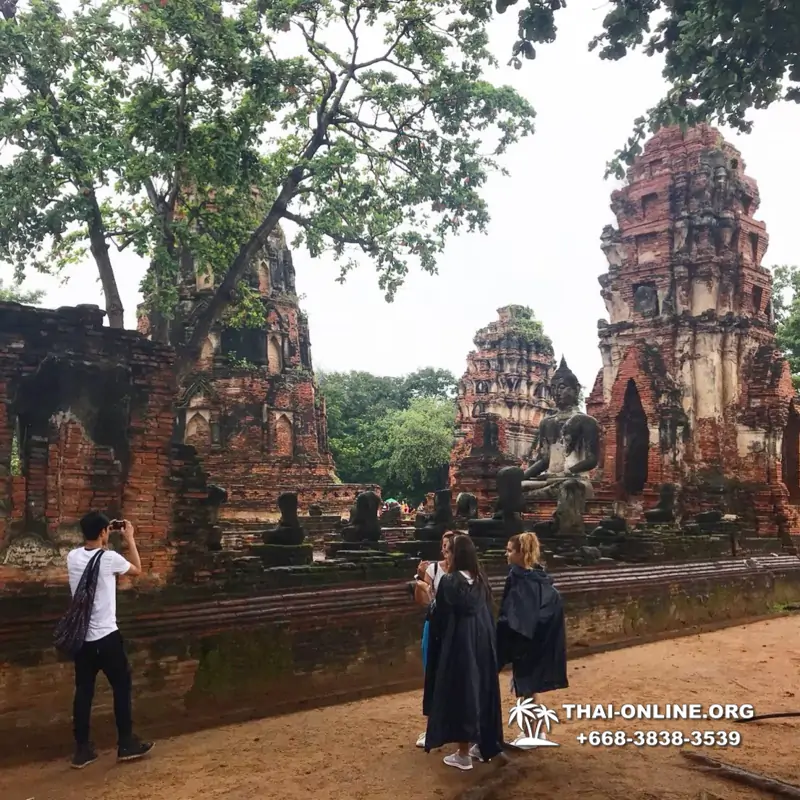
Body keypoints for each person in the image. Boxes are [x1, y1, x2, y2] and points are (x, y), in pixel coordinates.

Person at [67, 511, 154, 768]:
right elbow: (137, 570)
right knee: (121, 687)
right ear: (105, 532)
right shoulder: (109, 559)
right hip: (106, 637)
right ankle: (126, 743)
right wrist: (129, 538)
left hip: (82, 640)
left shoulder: (72, 557)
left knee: (83, 692)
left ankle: (82, 750)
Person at [423, 534, 503, 770]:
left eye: (449, 551)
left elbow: (439, 617)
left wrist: (430, 601)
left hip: (459, 644)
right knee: (481, 690)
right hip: (482, 644)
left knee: (460, 693)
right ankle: (483, 743)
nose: (446, 555)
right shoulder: (480, 581)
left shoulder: (449, 581)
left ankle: (463, 753)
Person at [496, 533, 568, 746]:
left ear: (521, 553)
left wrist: (506, 636)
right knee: (528, 688)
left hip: (526, 640)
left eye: (510, 550)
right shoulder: (540, 577)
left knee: (526, 689)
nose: (506, 554)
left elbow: (516, 614)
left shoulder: (519, 578)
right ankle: (536, 732)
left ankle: (531, 733)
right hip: (537, 639)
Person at [412, 531, 454, 749]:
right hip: (435, 626)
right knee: (433, 677)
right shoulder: (434, 569)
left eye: (450, 545)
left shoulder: (466, 573)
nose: (445, 549)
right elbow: (423, 602)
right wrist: (420, 579)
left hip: (456, 629)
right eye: (444, 545)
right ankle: (433, 727)